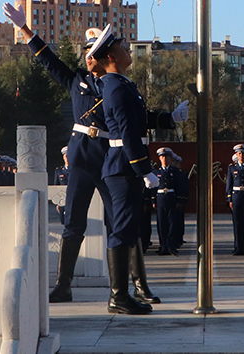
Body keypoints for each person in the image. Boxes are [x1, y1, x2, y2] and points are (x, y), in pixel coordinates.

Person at [3, 2, 187, 306]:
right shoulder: (79, 81)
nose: (90, 58)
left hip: (112, 154)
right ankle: (64, 285)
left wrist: (170, 119)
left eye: (93, 52)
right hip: (84, 156)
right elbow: (47, 59)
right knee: (74, 222)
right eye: (88, 52)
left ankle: (139, 285)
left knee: (122, 223)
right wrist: (25, 29)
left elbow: (133, 120)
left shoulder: (115, 83)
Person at [92, 25, 158, 315]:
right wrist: (144, 169)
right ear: (111, 55)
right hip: (123, 167)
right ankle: (118, 298)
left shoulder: (122, 84)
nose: (127, 48)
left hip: (124, 166)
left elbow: (138, 120)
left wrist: (170, 118)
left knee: (129, 230)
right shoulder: (115, 86)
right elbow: (128, 133)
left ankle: (123, 294)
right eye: (121, 45)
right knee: (121, 231)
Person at [226, 144, 244, 255]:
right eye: (239, 154)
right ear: (236, 155)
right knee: (237, 223)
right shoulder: (232, 168)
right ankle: (238, 247)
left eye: (243, 153)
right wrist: (229, 199)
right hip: (236, 196)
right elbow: (229, 185)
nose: (241, 156)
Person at [154, 147, 179, 255]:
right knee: (161, 224)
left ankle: (170, 246)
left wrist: (179, 200)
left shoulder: (175, 171)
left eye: (166, 157)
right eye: (162, 157)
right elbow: (153, 188)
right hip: (160, 199)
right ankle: (163, 246)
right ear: (159, 158)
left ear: (170, 158)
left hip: (171, 198)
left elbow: (179, 186)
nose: (164, 159)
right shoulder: (156, 172)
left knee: (171, 223)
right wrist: (153, 200)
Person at [54, 146, 70, 224]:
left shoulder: (75, 170)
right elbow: (56, 186)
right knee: (63, 222)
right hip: (62, 200)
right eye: (65, 156)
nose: (67, 158)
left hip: (73, 199)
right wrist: (57, 203)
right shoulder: (59, 171)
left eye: (68, 156)